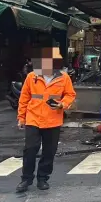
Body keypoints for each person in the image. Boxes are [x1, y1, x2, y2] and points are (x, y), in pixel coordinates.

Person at [16, 47, 76, 193]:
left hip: (52, 120)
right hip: (33, 118)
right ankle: (26, 179)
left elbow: (70, 94)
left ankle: (42, 178)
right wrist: (21, 117)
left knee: (49, 151)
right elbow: (24, 98)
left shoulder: (63, 78)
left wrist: (62, 104)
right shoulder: (32, 77)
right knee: (30, 149)